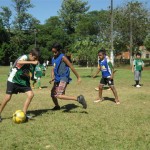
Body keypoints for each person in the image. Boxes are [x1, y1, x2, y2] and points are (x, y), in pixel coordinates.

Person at [0, 49, 40, 122]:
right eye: (35, 58)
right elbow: (19, 62)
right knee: (8, 97)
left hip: (23, 82)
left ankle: (24, 114)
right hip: (13, 80)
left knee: (31, 95)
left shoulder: (33, 62)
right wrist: (32, 61)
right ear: (31, 54)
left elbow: (31, 72)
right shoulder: (25, 57)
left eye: (37, 58)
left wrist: (33, 78)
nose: (36, 60)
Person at [49, 43, 87, 110]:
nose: (54, 53)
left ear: (59, 50)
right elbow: (53, 68)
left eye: (55, 52)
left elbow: (71, 67)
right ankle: (57, 106)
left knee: (59, 95)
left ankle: (78, 98)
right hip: (57, 78)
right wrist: (52, 77)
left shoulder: (62, 57)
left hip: (64, 77)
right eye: (53, 52)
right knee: (53, 94)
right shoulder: (53, 58)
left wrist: (78, 77)